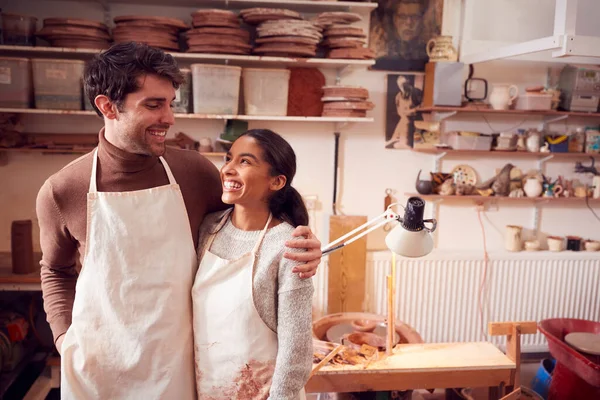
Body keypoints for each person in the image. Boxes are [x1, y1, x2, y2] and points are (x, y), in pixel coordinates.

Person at [35, 42, 322, 400]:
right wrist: (64, 338)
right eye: (153, 105)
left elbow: (253, 217)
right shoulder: (62, 190)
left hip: (175, 370)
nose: (169, 118)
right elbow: (55, 271)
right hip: (97, 372)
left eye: (171, 103)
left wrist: (302, 242)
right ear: (107, 106)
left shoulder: (194, 172)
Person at [193, 129, 313, 399]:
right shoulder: (208, 228)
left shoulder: (289, 246)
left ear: (277, 181)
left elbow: (296, 349)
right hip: (209, 389)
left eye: (244, 162)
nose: (228, 170)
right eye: (229, 159)